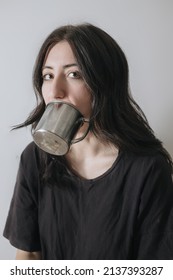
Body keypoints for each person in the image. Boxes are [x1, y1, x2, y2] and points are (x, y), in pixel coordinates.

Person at [3, 23, 173, 260]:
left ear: (105, 83)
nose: (55, 91)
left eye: (74, 74)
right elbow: (28, 254)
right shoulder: (34, 157)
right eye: (48, 76)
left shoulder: (148, 168)